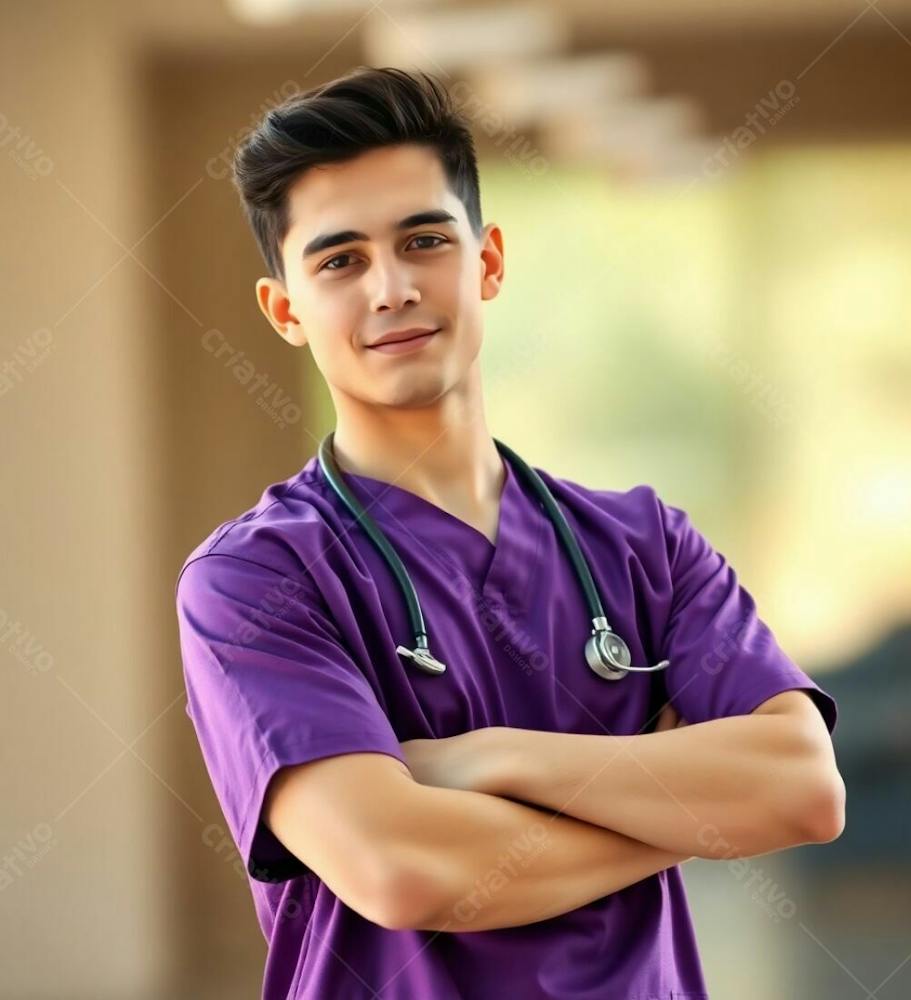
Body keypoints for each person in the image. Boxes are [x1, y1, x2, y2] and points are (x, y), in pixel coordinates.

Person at [175, 65, 844, 1000]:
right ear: (285, 309)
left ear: (487, 260)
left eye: (423, 240)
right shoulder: (255, 581)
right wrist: (679, 804)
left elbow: (803, 790)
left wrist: (487, 758)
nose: (392, 287)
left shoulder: (645, 546)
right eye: (340, 261)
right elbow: (405, 871)